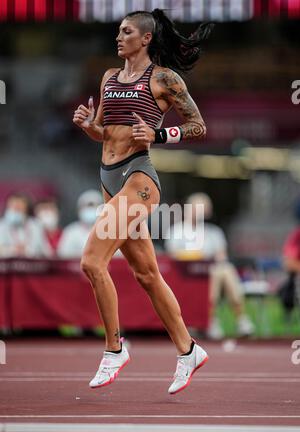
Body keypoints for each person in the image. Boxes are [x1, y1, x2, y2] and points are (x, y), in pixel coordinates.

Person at [73, 9, 213, 395]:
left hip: (139, 180)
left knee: (91, 261)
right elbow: (105, 133)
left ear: (146, 38)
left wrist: (158, 132)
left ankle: (114, 348)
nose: (118, 37)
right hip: (107, 179)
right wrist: (89, 126)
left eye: (126, 31)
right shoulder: (109, 77)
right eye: (118, 31)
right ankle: (189, 350)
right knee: (147, 275)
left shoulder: (164, 78)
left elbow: (198, 126)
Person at [165, 193, 255, 339]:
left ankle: (238, 319)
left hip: (211, 272)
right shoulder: (177, 231)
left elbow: (222, 257)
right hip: (185, 275)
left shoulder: (214, 232)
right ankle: (212, 319)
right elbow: (173, 256)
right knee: (218, 272)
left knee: (225, 270)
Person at [0, 192, 52, 258]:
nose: (15, 210)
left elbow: (47, 252)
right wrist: (12, 250)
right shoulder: (1, 225)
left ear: (26, 210)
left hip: (33, 265)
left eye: (18, 208)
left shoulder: (36, 226)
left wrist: (28, 251)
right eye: (12, 207)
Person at [57, 189, 103, 259]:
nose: (90, 209)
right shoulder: (70, 232)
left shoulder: (110, 232)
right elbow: (63, 256)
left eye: (93, 206)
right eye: (87, 206)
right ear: (79, 210)